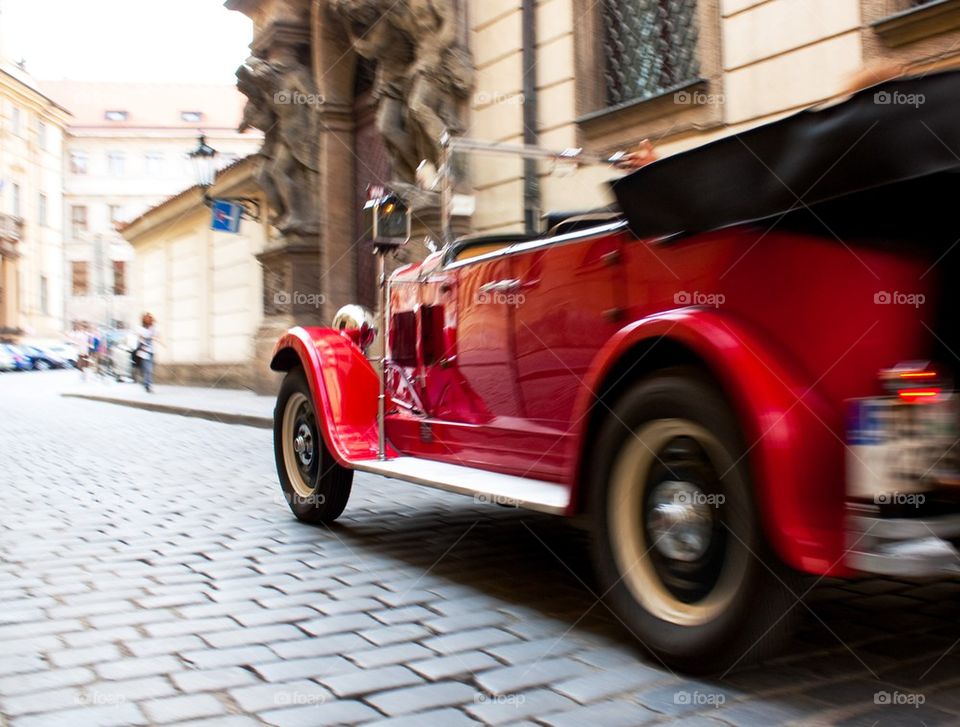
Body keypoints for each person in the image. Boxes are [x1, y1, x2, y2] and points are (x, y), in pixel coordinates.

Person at [136, 313, 158, 393]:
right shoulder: (141, 328)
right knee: (147, 369)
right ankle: (147, 385)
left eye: (150, 319)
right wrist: (150, 333)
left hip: (151, 351)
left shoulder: (153, 328)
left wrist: (153, 331)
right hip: (144, 351)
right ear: (144, 320)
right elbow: (144, 335)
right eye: (147, 319)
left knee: (150, 369)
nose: (148, 320)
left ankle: (146, 383)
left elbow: (156, 335)